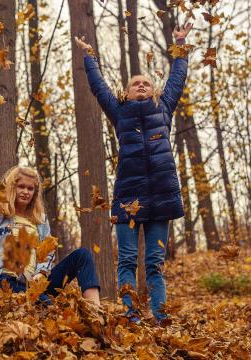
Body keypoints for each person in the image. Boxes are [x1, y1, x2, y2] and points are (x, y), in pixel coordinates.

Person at [74, 22, 193, 325]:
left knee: (154, 264)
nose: (141, 85)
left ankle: (161, 316)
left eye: (146, 83)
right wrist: (90, 57)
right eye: (135, 83)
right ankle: (131, 316)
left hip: (162, 198)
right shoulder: (119, 112)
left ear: (154, 92)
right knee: (127, 260)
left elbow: (177, 79)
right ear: (125, 93)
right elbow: (98, 87)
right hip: (128, 198)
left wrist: (180, 44)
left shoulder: (163, 109)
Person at [0, 166, 101, 306]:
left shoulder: (40, 220)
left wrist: (41, 272)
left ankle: (95, 312)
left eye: (30, 189)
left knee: (82, 255)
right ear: (12, 187)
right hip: (2, 280)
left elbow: (47, 254)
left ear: (35, 193)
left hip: (34, 284)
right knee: (49, 308)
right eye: (21, 187)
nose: (25, 192)